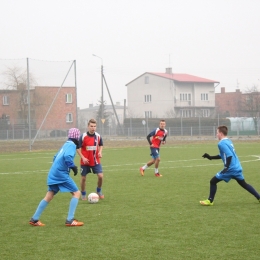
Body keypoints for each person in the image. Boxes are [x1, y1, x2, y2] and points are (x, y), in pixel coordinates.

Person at [29, 128, 84, 226]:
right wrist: (72, 166)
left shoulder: (66, 144)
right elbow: (67, 157)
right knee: (76, 193)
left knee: (49, 195)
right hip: (60, 174)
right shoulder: (71, 145)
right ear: (76, 137)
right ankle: (70, 220)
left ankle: (34, 219)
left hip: (53, 173)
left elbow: (55, 157)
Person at [200, 125, 260, 206]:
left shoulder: (221, 143)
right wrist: (210, 157)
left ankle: (210, 200)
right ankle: (259, 197)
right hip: (237, 167)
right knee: (244, 184)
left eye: (217, 133)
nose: (216, 134)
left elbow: (229, 155)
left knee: (213, 181)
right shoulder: (229, 141)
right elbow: (223, 155)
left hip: (230, 169)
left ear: (221, 133)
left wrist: (226, 167)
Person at [77, 119, 104, 200]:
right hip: (85, 161)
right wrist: (83, 157)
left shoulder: (98, 136)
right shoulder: (83, 136)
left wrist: (100, 152)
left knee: (100, 176)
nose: (93, 128)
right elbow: (77, 148)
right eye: (91, 126)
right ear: (88, 126)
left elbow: (101, 144)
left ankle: (99, 191)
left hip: (96, 160)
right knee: (83, 178)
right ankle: (83, 193)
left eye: (94, 126)